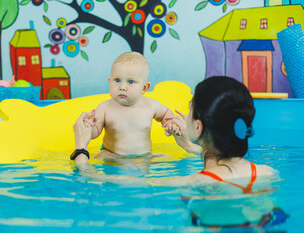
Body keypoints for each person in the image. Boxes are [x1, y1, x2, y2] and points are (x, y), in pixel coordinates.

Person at [71, 76, 287, 227]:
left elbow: (100, 179)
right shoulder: (267, 172)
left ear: (197, 127)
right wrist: (193, 147)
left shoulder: (191, 183)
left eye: (189, 108)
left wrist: (81, 149)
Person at [72, 51, 183, 163]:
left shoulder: (151, 105)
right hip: (112, 155)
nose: (122, 87)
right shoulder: (105, 107)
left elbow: (165, 114)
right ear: (109, 81)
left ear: (144, 88)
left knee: (169, 158)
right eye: (117, 80)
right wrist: (88, 126)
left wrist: (170, 123)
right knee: (101, 156)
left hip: (144, 156)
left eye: (130, 82)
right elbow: (95, 132)